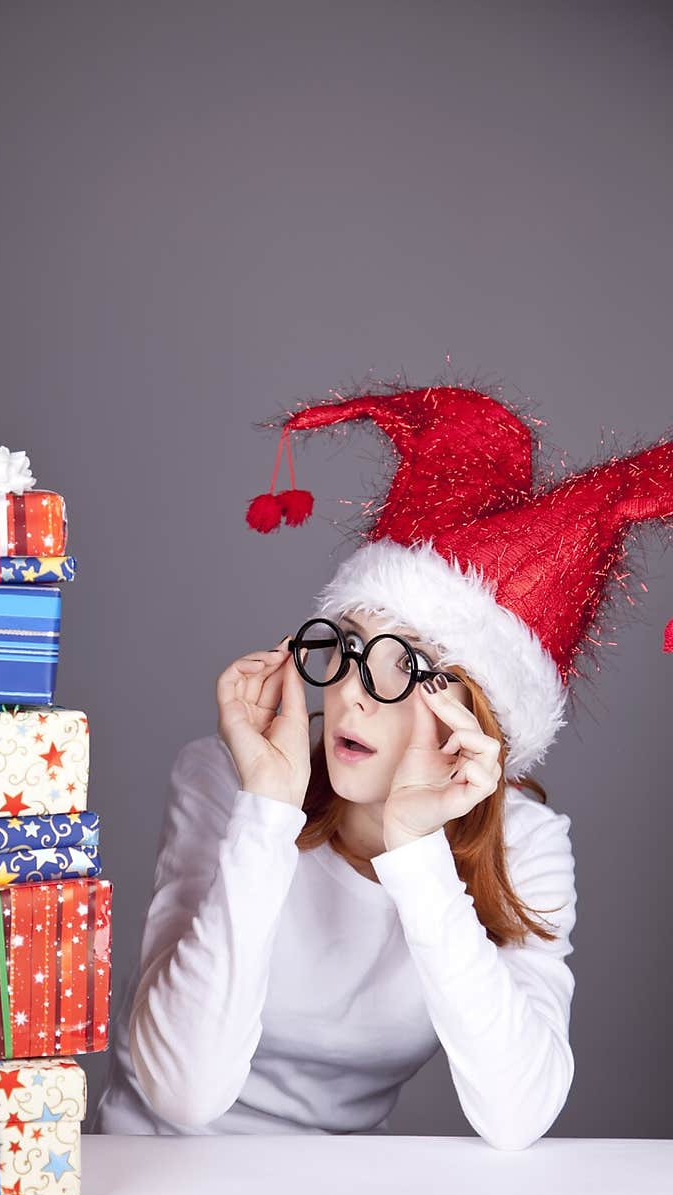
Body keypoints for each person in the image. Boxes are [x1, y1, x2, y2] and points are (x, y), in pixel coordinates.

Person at [90, 382, 672, 1148]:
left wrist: (416, 849)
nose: (354, 698)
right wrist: (267, 811)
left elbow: (518, 1113)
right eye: (347, 649)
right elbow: (181, 1093)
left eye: (402, 666)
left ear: (477, 711)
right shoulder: (226, 777)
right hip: (152, 1190)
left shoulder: (525, 843)